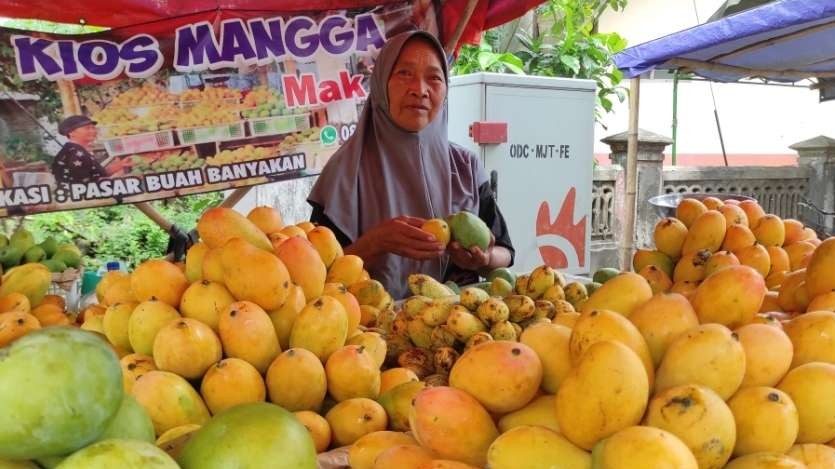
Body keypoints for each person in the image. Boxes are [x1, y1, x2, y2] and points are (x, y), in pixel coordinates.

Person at [308, 30, 513, 299]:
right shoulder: (345, 173)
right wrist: (375, 242)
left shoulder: (465, 167)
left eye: (434, 78)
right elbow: (314, 273)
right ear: (381, 84)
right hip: (371, 330)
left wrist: (483, 259)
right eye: (404, 73)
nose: (420, 90)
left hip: (463, 324)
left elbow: (506, 253)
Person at [52, 115, 107, 185]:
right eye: (87, 128)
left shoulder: (76, 149)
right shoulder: (74, 153)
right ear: (71, 132)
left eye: (93, 128)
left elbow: (96, 174)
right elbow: (87, 185)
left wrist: (120, 165)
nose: (93, 131)